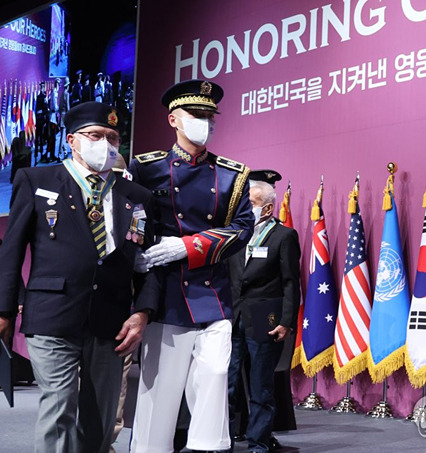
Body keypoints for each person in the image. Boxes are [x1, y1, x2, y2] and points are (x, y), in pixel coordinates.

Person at [0, 102, 158, 453]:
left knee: (100, 420)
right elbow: (10, 252)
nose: (106, 144)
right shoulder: (36, 180)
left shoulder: (137, 196)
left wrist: (142, 311)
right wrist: (4, 311)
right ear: (72, 140)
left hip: (112, 321)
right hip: (52, 314)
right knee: (59, 405)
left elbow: (147, 263)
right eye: (96, 135)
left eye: (113, 137)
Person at [129, 79, 255, 453]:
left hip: (212, 292)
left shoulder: (233, 175)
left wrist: (187, 246)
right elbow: (134, 218)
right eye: (196, 115)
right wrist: (139, 252)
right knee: (160, 393)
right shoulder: (146, 168)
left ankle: (208, 449)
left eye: (210, 116)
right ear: (173, 119)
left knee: (215, 377)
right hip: (164, 293)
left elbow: (242, 229)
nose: (206, 123)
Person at [227, 170, 301, 453]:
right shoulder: (236, 234)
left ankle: (259, 441)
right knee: (228, 381)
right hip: (232, 317)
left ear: (267, 207)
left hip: (264, 319)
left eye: (252, 203)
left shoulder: (284, 236)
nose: (247, 208)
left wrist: (286, 321)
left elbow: (290, 282)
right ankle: (228, 435)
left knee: (261, 385)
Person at [35, 81, 48, 162]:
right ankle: (41, 153)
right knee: (42, 135)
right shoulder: (43, 97)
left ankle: (37, 152)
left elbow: (36, 108)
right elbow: (45, 107)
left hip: (38, 118)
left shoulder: (38, 96)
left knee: (38, 136)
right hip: (42, 118)